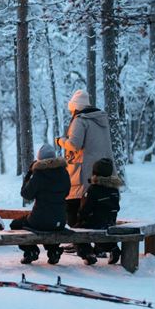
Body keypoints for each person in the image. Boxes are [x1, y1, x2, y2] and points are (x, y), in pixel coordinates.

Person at [55, 89, 114, 228]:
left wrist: (60, 141)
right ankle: (96, 244)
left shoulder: (80, 120)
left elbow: (74, 144)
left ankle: (80, 244)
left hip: (82, 172)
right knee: (96, 208)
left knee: (74, 208)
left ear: (75, 106)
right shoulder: (100, 120)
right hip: (101, 171)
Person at [10, 144, 70, 265]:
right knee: (51, 226)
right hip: (60, 220)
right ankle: (54, 251)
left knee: (15, 224)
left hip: (40, 220)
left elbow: (26, 194)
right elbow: (67, 192)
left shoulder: (39, 174)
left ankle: (31, 251)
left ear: (40, 159)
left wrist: (29, 174)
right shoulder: (64, 173)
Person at [76, 158, 122, 265]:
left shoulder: (94, 189)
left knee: (76, 232)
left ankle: (87, 253)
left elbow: (84, 210)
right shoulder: (114, 190)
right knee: (102, 230)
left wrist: (80, 217)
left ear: (95, 173)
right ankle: (113, 248)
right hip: (110, 223)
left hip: (94, 223)